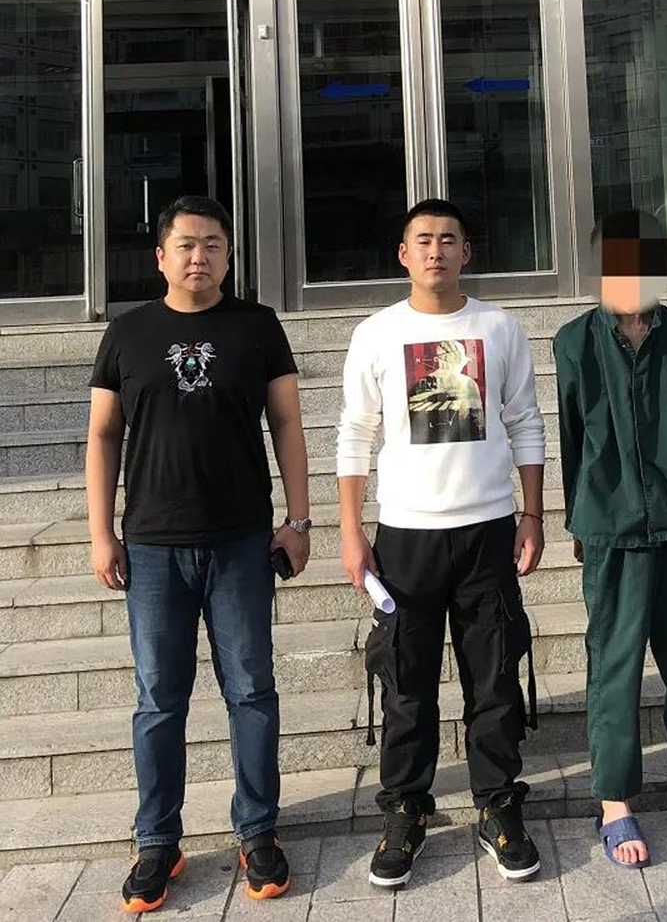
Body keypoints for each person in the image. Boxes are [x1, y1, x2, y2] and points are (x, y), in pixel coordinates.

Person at [86, 195, 311, 913]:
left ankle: (258, 830)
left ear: (229, 254)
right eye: (186, 244)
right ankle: (158, 840)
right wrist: (101, 531)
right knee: (159, 699)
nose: (200, 256)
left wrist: (297, 519)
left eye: (213, 243)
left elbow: (287, 422)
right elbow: (103, 435)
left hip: (241, 542)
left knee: (251, 690)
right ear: (160, 256)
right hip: (154, 545)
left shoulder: (257, 325)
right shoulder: (128, 332)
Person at [337, 199, 545, 890]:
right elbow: (355, 433)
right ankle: (405, 808)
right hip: (406, 536)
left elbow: (526, 420)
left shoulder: (499, 327)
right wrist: (351, 529)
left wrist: (533, 513)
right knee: (407, 682)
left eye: (448, 239)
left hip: (488, 529)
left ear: (466, 252)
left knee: (494, 677)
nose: (436, 251)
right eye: (423, 240)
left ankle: (498, 804)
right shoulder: (376, 334)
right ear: (403, 255)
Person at [553, 210, 667, 869]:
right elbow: (572, 436)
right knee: (615, 662)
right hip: (610, 523)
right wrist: (580, 517)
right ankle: (615, 801)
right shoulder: (575, 341)